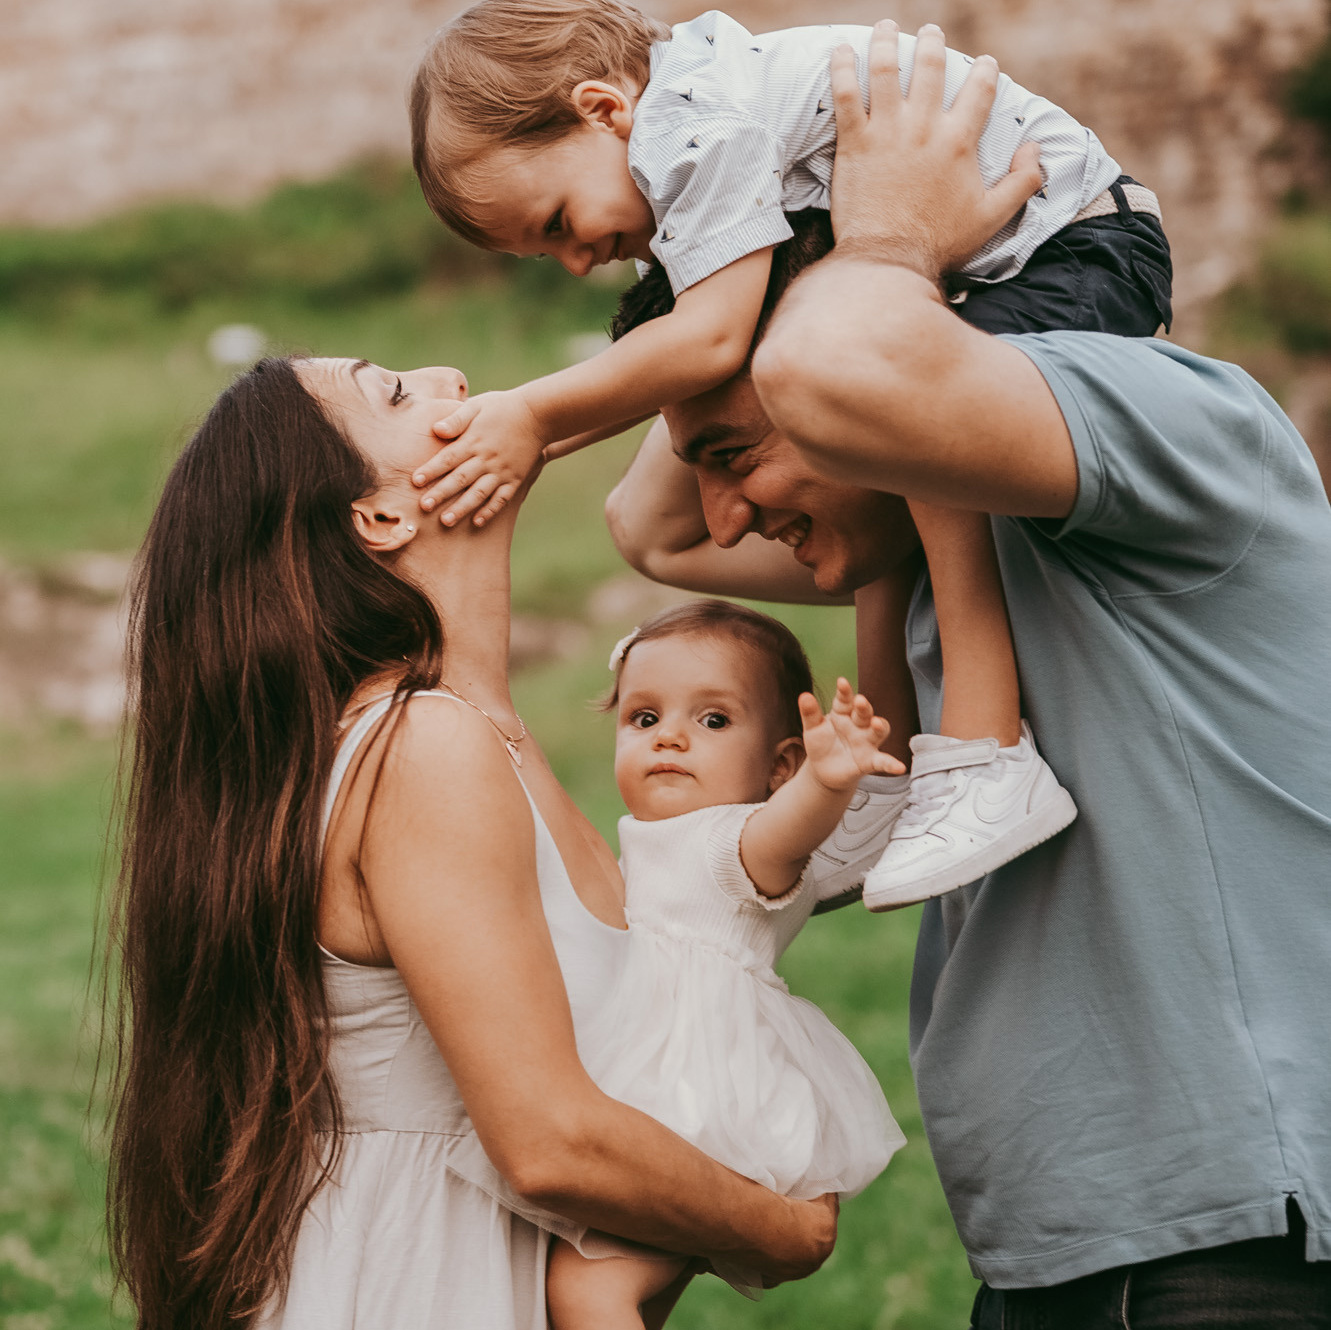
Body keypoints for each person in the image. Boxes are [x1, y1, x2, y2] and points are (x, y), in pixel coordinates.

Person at [605, 23, 1331, 1326]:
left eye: (730, 453)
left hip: (1235, 1244)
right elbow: (643, 532)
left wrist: (885, 242)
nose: (717, 524)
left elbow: (843, 372)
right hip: (1058, 1250)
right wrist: (731, 279)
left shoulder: (1158, 418)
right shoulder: (943, 553)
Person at [105, 355, 837, 1330]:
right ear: (381, 518)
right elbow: (547, 1142)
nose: (449, 371)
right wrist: (782, 1229)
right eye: (395, 393)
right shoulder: (422, 746)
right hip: (408, 1279)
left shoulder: (481, 732)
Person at [403, 0, 1176, 907]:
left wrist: (530, 416)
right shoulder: (696, 112)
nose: (578, 261)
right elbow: (686, 380)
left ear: (604, 110)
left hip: (1072, 246)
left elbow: (709, 341)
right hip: (1018, 260)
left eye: (559, 223)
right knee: (887, 474)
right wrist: (535, 445)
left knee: (902, 426)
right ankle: (888, 779)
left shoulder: (694, 124)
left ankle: (984, 753)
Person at [547, 599, 906, 1325]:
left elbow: (781, 835)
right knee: (627, 1296)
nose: (670, 737)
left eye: (712, 721)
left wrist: (825, 784)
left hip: (689, 1098)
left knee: (588, 1289)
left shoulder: (730, 843)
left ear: (778, 766)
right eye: (643, 718)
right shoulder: (667, 837)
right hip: (672, 1087)